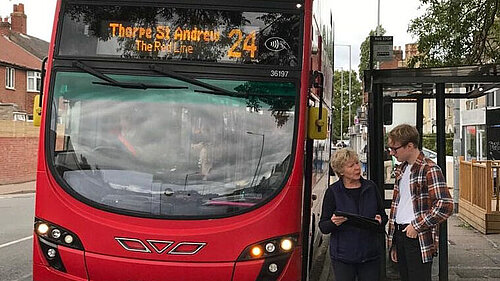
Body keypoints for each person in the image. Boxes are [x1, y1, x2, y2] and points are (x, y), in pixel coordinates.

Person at [386, 124, 453, 281]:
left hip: (417, 236)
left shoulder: (429, 169)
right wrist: (395, 241)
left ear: (410, 146)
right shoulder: (402, 168)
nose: (391, 152)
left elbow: (445, 205)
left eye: (395, 149)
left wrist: (417, 225)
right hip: (401, 233)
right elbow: (401, 206)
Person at [319, 148, 388, 281]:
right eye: (351, 165)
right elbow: (323, 226)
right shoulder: (333, 192)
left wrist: (380, 221)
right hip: (343, 257)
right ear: (341, 171)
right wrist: (333, 222)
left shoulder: (371, 187)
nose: (357, 168)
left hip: (370, 255)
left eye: (357, 163)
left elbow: (383, 217)